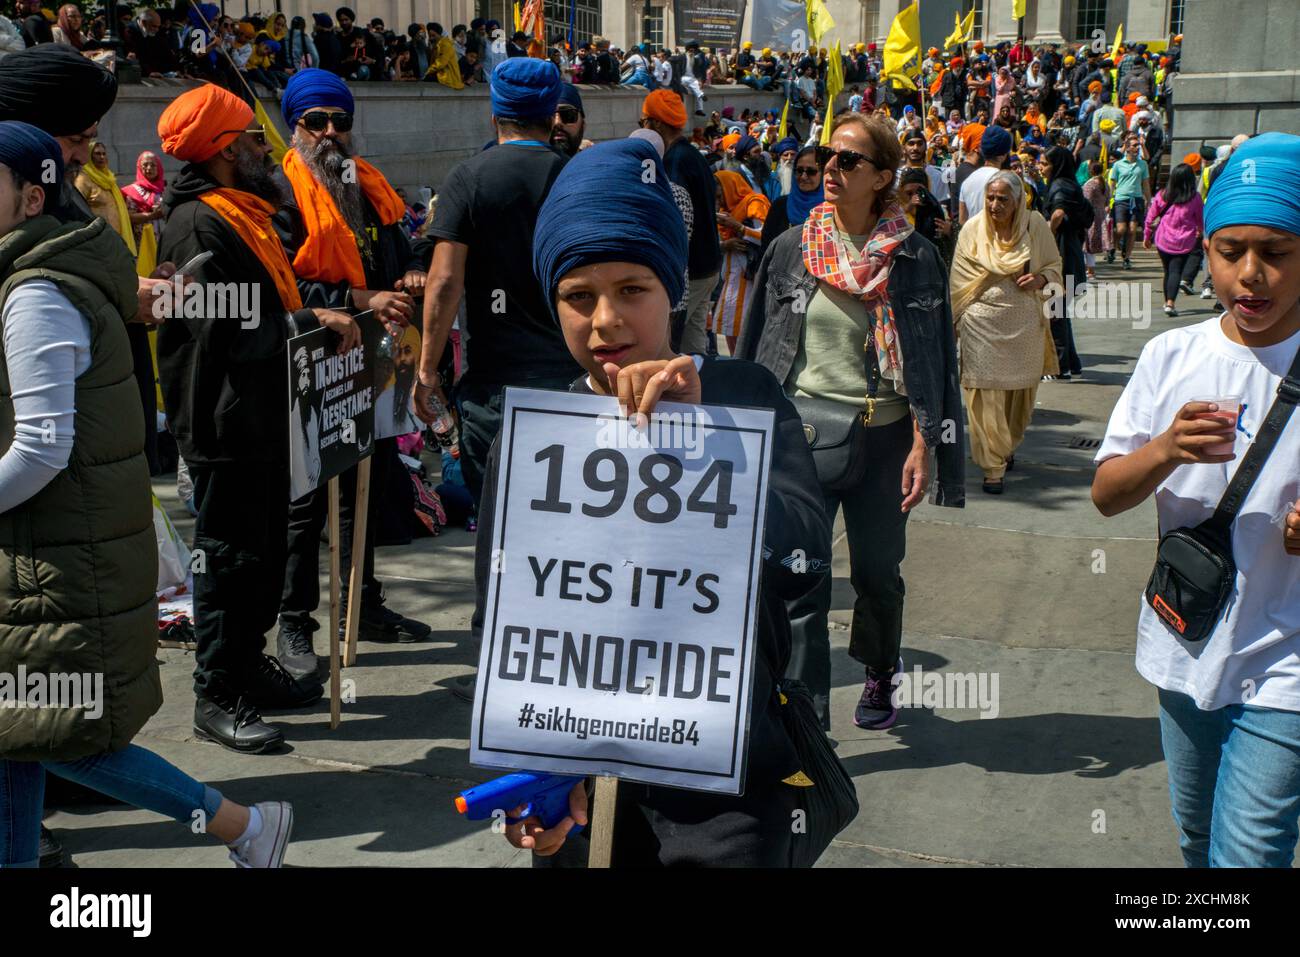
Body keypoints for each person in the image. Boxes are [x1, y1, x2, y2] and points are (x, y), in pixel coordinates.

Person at [489, 138, 831, 866]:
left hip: (727, 788)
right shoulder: (537, 438)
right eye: (578, 297)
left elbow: (803, 553)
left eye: (632, 290)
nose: (606, 321)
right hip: (585, 791)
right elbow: (505, 617)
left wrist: (702, 436)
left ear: (673, 288)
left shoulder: (745, 396)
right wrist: (534, 784)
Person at [0, 120, 292, 870]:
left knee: (62, 734)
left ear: (31, 197)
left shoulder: (36, 291)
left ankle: (241, 823)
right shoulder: (49, 269)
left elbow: (40, 445)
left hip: (54, 561)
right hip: (53, 550)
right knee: (21, 734)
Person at [1091, 133, 1300, 868]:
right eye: (1229, 249)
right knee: (1199, 840)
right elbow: (1106, 495)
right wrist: (1165, 449)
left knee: (1250, 854)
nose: (1251, 275)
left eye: (1276, 250)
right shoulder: (1170, 357)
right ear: (1203, 249)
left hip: (1288, 661)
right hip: (1186, 644)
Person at [737, 112, 966, 730]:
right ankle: (807, 712)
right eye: (825, 156)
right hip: (801, 436)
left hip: (886, 438)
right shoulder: (791, 246)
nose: (830, 169)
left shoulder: (914, 256)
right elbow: (756, 344)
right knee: (802, 575)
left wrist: (925, 445)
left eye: (847, 161)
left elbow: (934, 361)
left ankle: (880, 668)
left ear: (883, 177)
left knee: (875, 571)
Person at [155, 83, 360, 752]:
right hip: (224, 427)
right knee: (231, 562)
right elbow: (232, 329)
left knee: (265, 557)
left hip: (267, 418)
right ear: (219, 152)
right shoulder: (196, 223)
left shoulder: (240, 210)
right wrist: (311, 320)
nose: (260, 148)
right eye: (247, 138)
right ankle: (217, 692)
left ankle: (248, 666)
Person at [273, 69, 432, 675]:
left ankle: (361, 607)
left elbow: (404, 245)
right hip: (311, 363)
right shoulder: (280, 191)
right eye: (318, 122)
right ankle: (294, 625)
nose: (332, 133)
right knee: (306, 500)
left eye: (341, 121)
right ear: (297, 128)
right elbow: (287, 286)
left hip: (371, 362)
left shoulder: (370, 185)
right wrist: (362, 299)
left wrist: (413, 272)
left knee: (366, 488)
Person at [417, 58, 580, 523]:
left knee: (498, 526)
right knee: (565, 527)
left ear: (495, 116)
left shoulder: (468, 178)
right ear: (552, 116)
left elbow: (445, 280)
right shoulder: (576, 176)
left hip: (496, 390)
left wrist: (428, 372)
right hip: (571, 382)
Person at [950, 171, 1062, 493]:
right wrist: (957, 320)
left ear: (1018, 201)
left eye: (1003, 199)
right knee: (983, 395)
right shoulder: (972, 229)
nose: (995, 205)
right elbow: (958, 282)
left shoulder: (1034, 225)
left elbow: (1054, 265)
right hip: (980, 322)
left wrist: (1041, 280)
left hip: (1023, 323)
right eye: (990, 198)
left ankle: (1006, 445)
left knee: (1019, 395)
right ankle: (992, 466)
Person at [641, 89, 719, 356]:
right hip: (709, 264)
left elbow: (676, 218)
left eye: (644, 122)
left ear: (656, 124)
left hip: (693, 272)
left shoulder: (674, 160)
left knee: (673, 347)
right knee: (695, 344)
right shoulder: (693, 154)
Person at [1039, 146, 1088, 379]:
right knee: (1059, 310)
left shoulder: (1059, 185)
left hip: (1063, 255)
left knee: (1055, 311)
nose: (1041, 167)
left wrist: (1045, 234)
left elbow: (1057, 213)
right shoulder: (1069, 184)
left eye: (1044, 163)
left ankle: (1060, 367)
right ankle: (1072, 363)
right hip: (1069, 253)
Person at [710, 170, 767, 354]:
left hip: (750, 279)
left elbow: (767, 236)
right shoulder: (725, 212)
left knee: (747, 332)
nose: (719, 202)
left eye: (720, 196)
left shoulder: (755, 202)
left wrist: (739, 228)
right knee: (730, 329)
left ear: (730, 188)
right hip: (731, 278)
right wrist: (725, 245)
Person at [1143, 162, 1204, 318]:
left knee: (1167, 271)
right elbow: (1200, 219)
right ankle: (1170, 303)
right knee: (1175, 270)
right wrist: (1200, 232)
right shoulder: (1195, 198)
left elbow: (1150, 218)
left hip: (1163, 239)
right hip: (1184, 240)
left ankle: (1167, 301)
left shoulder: (1163, 195)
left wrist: (1146, 236)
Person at [760, 144, 822, 256]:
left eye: (811, 171)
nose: (803, 176)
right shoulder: (780, 206)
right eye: (799, 170)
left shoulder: (832, 209)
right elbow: (766, 249)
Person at [121, 150, 167, 275]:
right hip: (141, 244)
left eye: (153, 165)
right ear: (139, 168)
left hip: (163, 242)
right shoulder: (131, 191)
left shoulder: (166, 190)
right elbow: (129, 217)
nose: (149, 168)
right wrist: (152, 215)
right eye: (145, 165)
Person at [1109, 133, 1150, 269]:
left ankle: (1126, 257)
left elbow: (1145, 183)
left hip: (1136, 199)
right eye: (1134, 145)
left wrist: (1149, 200)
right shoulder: (1118, 165)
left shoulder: (1142, 164)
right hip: (1121, 199)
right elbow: (1112, 184)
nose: (1137, 148)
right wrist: (1109, 200)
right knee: (1121, 229)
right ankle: (1112, 247)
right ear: (1127, 148)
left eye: (1138, 145)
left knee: (1132, 230)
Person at [959, 124, 1012, 224]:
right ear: (1003, 156)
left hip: (973, 239)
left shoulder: (967, 181)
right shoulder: (1006, 181)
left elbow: (962, 222)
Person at [1081, 159, 1110, 279]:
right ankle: (1090, 270)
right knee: (1090, 246)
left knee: (1086, 244)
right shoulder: (1105, 184)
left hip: (1090, 215)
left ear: (1090, 170)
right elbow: (1108, 200)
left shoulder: (1090, 184)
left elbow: (1085, 201)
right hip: (1101, 214)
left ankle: (1089, 270)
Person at [550, 83, 585, 157]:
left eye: (567, 115)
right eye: (549, 116)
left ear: (583, 124)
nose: (557, 122)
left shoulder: (595, 165)